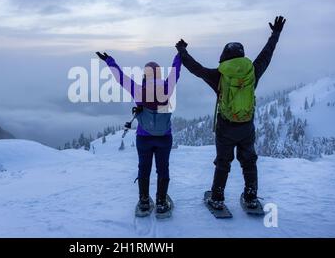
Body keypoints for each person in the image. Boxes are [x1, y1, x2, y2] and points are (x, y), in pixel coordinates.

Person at [175, 16, 286, 210]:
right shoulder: (252, 72)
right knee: (249, 162)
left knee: (223, 163)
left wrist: (182, 51)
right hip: (246, 126)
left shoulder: (220, 75)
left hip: (226, 128)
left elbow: (197, 69)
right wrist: (275, 34)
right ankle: (251, 197)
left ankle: (217, 198)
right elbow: (267, 55)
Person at [95, 51, 182, 217]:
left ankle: (143, 202)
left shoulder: (138, 90)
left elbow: (120, 77)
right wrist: (180, 55)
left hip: (144, 137)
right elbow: (175, 70)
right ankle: (162, 204)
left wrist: (109, 60)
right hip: (164, 137)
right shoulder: (167, 87)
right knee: (163, 169)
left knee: (144, 168)